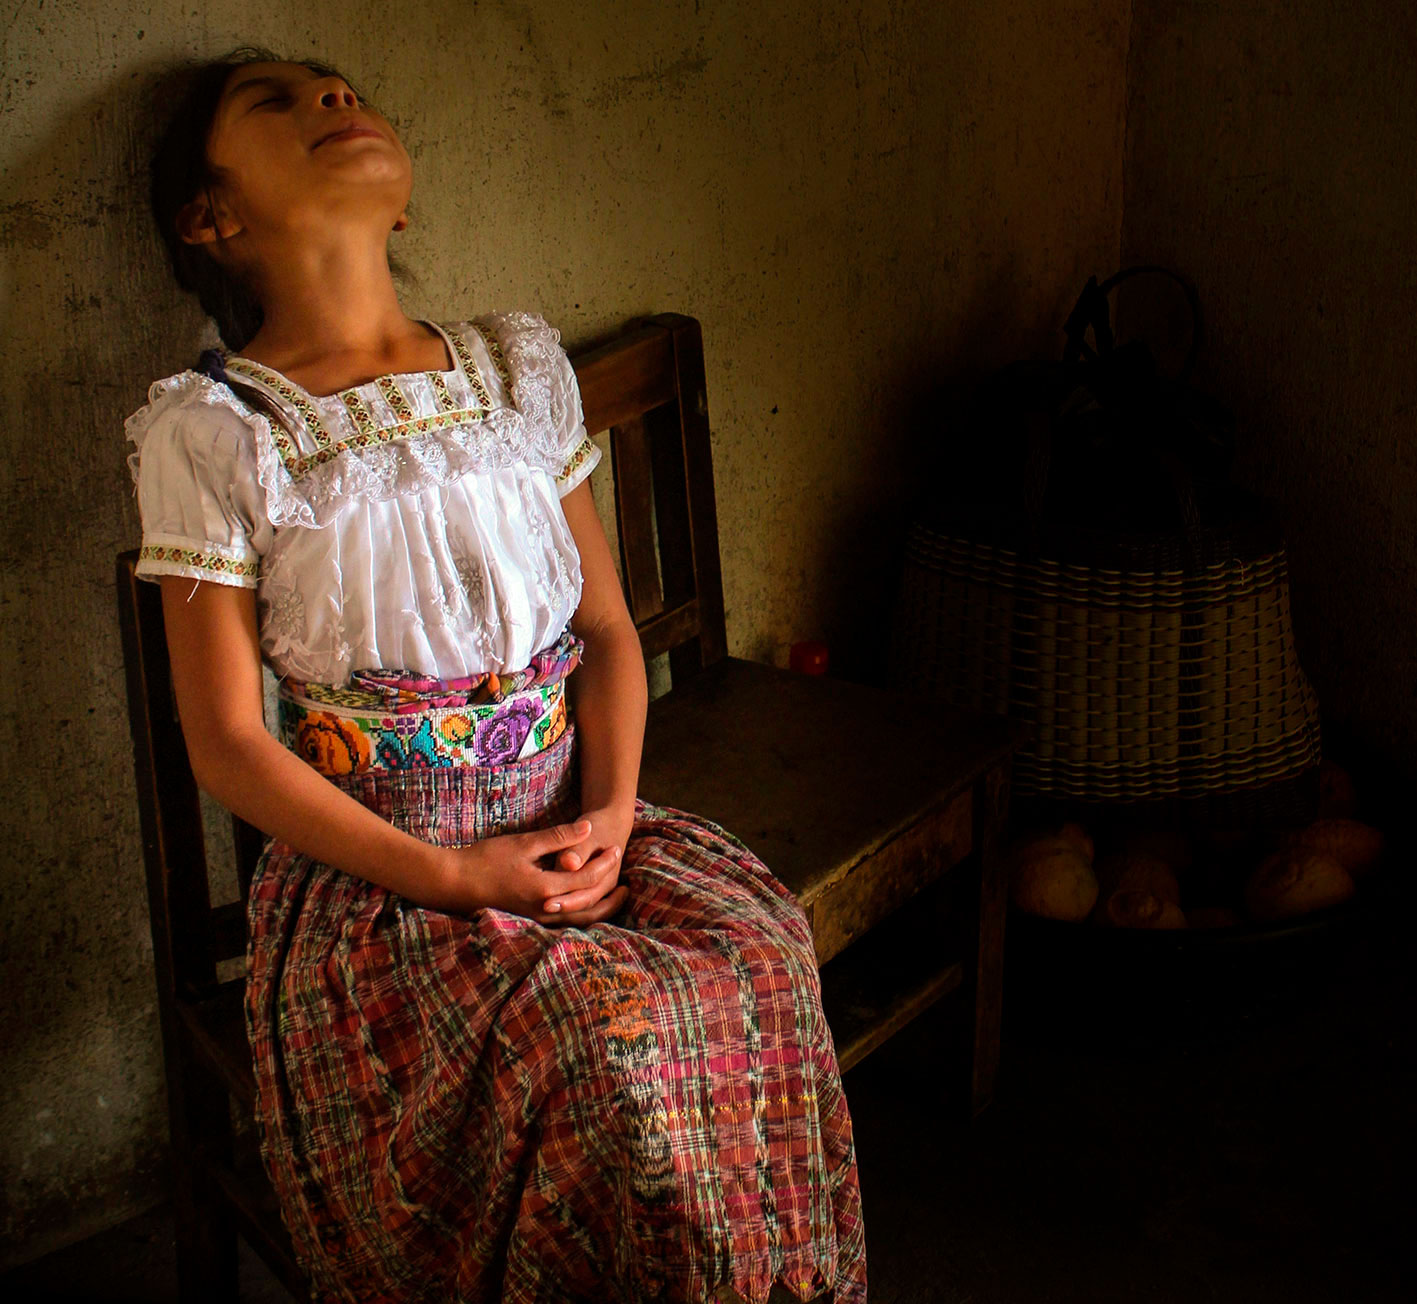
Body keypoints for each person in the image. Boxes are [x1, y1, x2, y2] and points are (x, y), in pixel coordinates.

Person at [126, 49, 867, 1304]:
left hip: (578, 825)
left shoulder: (513, 371)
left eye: (343, 90)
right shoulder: (216, 433)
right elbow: (227, 748)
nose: (332, 102)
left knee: (756, 949)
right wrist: (455, 873)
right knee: (591, 1053)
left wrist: (617, 817)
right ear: (214, 216)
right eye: (278, 102)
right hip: (388, 883)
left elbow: (613, 636)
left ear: (403, 201)